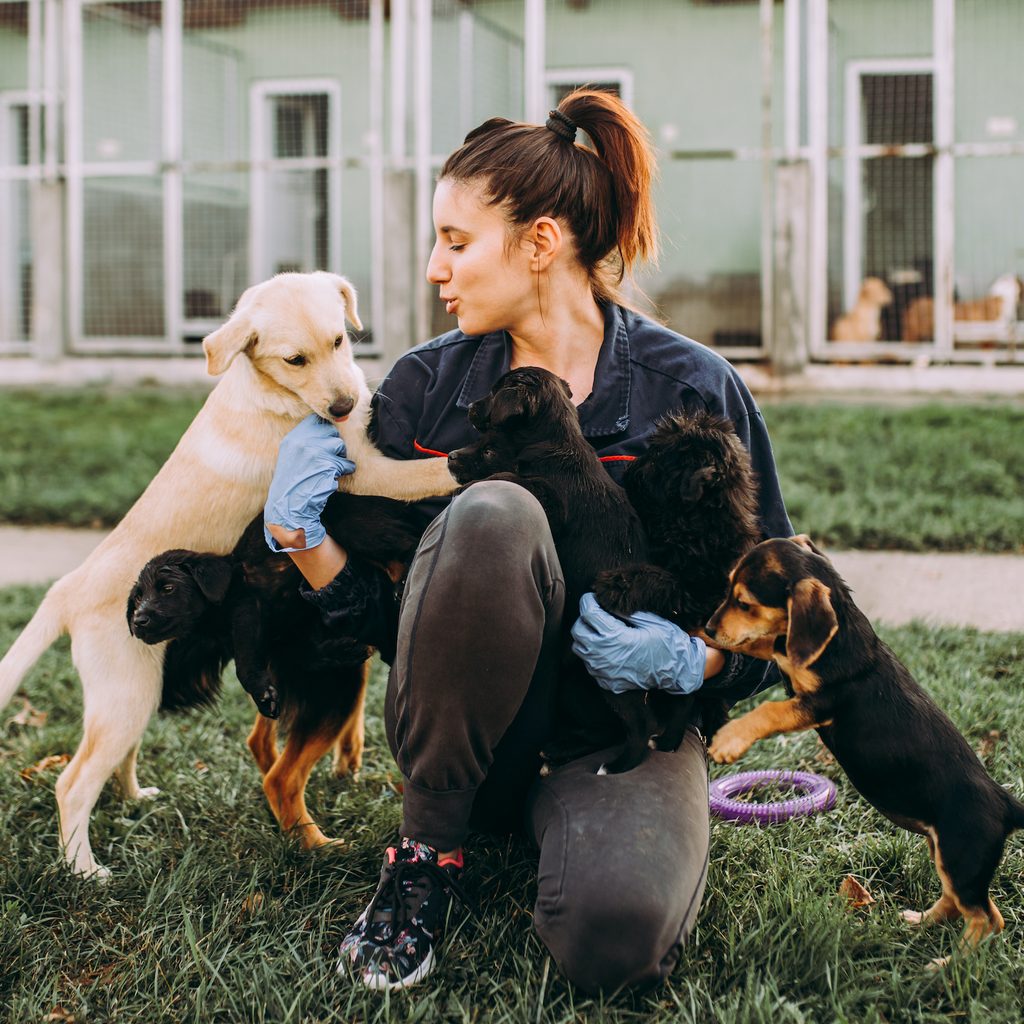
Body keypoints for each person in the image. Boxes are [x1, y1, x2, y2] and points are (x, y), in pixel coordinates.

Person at [263, 90, 792, 995]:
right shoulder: (425, 389)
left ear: (540, 244)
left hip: (617, 740)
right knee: (496, 512)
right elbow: (395, 627)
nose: (436, 267)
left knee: (617, 940)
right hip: (464, 744)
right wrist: (299, 534)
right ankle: (427, 853)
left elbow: (776, 608)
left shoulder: (692, 390)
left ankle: (576, 837)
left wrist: (692, 666)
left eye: (457, 242)